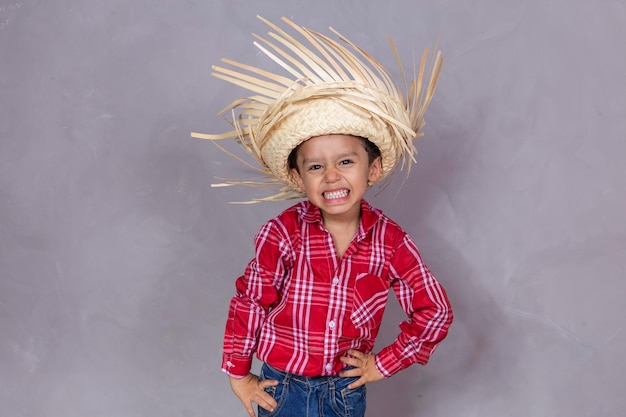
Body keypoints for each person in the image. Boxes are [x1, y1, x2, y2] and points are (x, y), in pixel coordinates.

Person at [192, 16, 453, 417]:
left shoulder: (390, 242)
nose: (332, 176)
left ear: (374, 168)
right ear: (298, 177)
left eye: (346, 161)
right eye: (316, 167)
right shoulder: (282, 233)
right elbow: (251, 302)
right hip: (282, 387)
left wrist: (382, 363)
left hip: (343, 391)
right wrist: (239, 374)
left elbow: (434, 311)